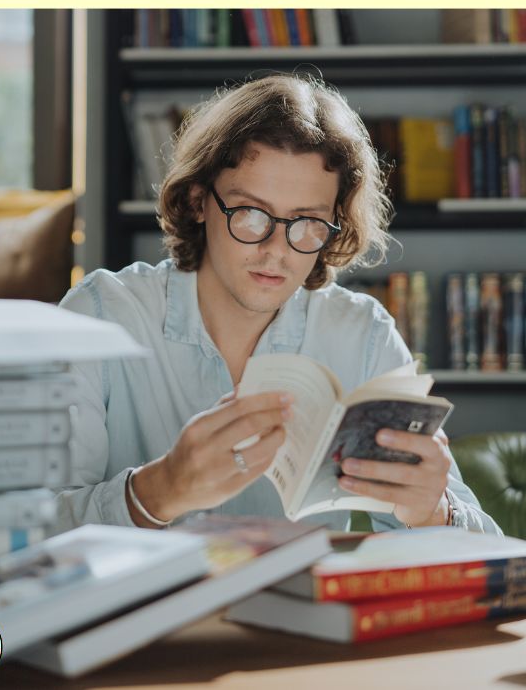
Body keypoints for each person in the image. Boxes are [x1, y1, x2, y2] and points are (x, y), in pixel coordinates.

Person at [58, 73, 500, 534]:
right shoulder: (100, 315)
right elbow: (26, 536)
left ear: (336, 222)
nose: (277, 249)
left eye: (307, 221)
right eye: (250, 214)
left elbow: (486, 553)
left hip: (304, 606)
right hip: (142, 606)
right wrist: (155, 492)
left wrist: (434, 511)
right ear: (197, 201)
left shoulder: (361, 333)